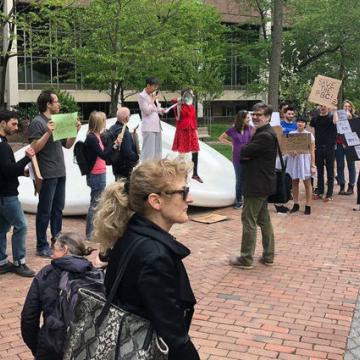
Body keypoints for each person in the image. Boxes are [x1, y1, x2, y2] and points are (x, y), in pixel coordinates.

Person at [92, 158, 200, 360]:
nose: (190, 199)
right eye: (183, 192)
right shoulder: (155, 257)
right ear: (155, 201)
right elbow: (174, 336)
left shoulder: (129, 233)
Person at [21, 233, 100, 360]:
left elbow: (28, 318)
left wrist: (38, 348)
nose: (52, 254)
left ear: (65, 250)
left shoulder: (46, 273)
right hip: (85, 347)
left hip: (52, 346)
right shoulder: (94, 274)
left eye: (54, 249)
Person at [28, 90, 81, 257]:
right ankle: (41, 244)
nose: (59, 104)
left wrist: (75, 131)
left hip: (60, 170)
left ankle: (57, 241)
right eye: (56, 101)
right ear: (48, 104)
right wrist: (47, 133)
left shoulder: (57, 120)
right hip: (47, 172)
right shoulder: (38, 122)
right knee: (45, 210)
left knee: (58, 209)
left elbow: (67, 145)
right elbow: (33, 149)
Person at [229, 103, 277, 269]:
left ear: (268, 117)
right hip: (263, 184)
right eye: (254, 114)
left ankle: (246, 258)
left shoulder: (264, 135)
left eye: (260, 114)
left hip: (256, 184)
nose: (256, 117)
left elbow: (243, 151)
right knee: (264, 220)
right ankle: (268, 256)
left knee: (248, 220)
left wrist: (246, 148)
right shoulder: (265, 132)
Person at [0, 110, 36, 277]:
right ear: (2, 123)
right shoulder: (3, 146)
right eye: (13, 124)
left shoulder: (2, 143)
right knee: (21, 225)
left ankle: (1, 261)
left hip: (3, 194)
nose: (16, 127)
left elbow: (3, 170)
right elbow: (8, 171)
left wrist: (21, 172)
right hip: (7, 195)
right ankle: (19, 262)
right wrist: (27, 158)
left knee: (2, 228)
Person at [84, 111, 116, 241]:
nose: (105, 122)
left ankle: (93, 232)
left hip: (99, 171)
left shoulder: (97, 136)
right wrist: (114, 145)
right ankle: (90, 234)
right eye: (103, 120)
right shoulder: (92, 137)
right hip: (96, 174)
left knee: (97, 202)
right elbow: (103, 154)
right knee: (95, 203)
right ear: (98, 123)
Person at [218, 110, 253, 209]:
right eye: (247, 117)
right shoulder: (233, 130)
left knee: (248, 179)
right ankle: (238, 201)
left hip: (249, 157)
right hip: (237, 158)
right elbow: (221, 138)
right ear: (241, 119)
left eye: (249, 117)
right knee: (239, 180)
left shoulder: (250, 129)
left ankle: (248, 200)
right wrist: (231, 144)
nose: (249, 119)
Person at [286, 116, 316, 215]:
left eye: (302, 122)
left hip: (305, 160)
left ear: (305, 124)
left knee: (307, 183)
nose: (300, 123)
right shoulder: (291, 134)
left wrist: (312, 165)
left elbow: (312, 151)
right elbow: (288, 149)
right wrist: (291, 152)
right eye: (298, 121)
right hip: (294, 160)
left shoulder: (309, 135)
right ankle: (296, 203)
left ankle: (308, 205)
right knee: (294, 182)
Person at [172, 89, 203, 183]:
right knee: (182, 153)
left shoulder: (192, 106)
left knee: (195, 151)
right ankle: (181, 175)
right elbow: (178, 117)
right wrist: (178, 102)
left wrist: (196, 131)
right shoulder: (179, 105)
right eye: (191, 93)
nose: (193, 95)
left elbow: (194, 119)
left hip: (192, 129)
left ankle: (195, 174)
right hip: (183, 130)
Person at [310, 105, 337, 201]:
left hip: (330, 148)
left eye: (324, 106)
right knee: (319, 171)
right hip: (318, 148)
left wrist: (335, 110)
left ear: (328, 107)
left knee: (330, 171)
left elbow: (335, 122)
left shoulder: (332, 117)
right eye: (321, 105)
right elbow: (312, 131)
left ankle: (329, 194)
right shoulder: (315, 118)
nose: (322, 107)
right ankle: (320, 191)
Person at [274, 105, 297, 214]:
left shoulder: (297, 125)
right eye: (289, 114)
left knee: (288, 178)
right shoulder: (279, 125)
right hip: (280, 155)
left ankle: (284, 199)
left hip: (291, 155)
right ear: (284, 114)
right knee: (279, 177)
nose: (291, 116)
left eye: (292, 114)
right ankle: (277, 203)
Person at [107, 107, 139, 180]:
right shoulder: (124, 131)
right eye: (129, 115)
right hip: (124, 168)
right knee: (124, 189)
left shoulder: (112, 128)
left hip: (115, 166)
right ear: (126, 118)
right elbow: (127, 151)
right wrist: (136, 157)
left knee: (118, 188)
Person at [138, 76, 165, 161]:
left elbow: (155, 109)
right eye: (154, 86)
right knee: (148, 152)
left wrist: (161, 110)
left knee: (157, 151)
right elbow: (146, 111)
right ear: (148, 85)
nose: (155, 89)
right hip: (148, 127)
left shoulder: (152, 95)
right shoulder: (142, 96)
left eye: (156, 87)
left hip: (157, 126)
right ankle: (146, 171)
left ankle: (155, 171)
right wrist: (152, 100)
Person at [336, 100, 356, 195]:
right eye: (345, 106)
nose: (347, 108)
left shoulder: (355, 118)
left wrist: (350, 119)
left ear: (351, 108)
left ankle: (351, 186)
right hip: (339, 144)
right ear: (342, 108)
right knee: (340, 165)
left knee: (351, 166)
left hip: (350, 145)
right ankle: (342, 186)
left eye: (349, 107)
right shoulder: (338, 117)